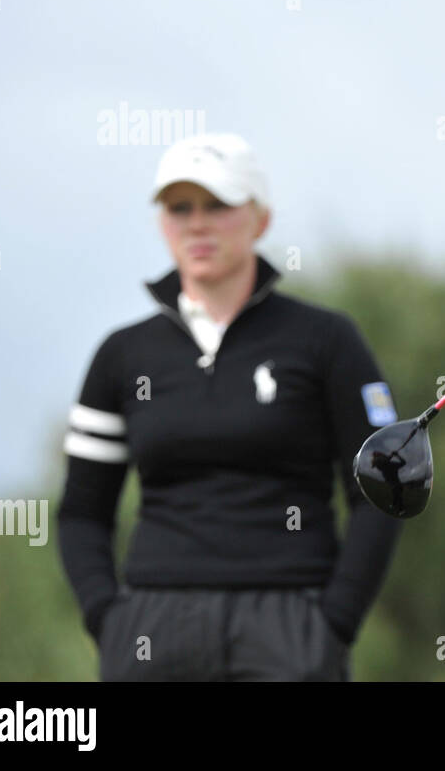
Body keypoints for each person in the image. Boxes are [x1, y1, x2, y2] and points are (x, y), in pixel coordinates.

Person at [56, 133, 404, 681]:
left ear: (260, 220)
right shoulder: (122, 355)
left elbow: (383, 489)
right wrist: (108, 619)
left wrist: (335, 623)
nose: (198, 223)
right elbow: (81, 513)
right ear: (161, 222)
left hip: (291, 624)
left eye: (218, 205)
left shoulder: (326, 340)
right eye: (180, 208)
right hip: (152, 628)